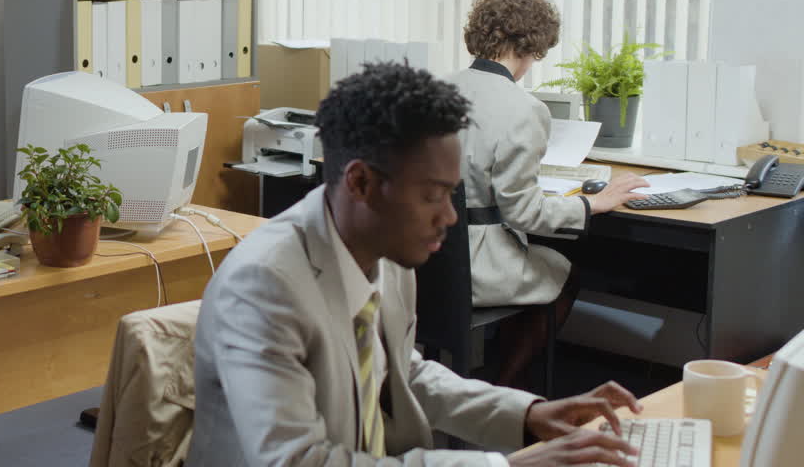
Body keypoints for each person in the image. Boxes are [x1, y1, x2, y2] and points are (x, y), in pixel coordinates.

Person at [189, 61, 643, 466]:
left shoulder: (383, 253)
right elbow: (296, 461)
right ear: (362, 183)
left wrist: (527, 414)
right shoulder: (264, 285)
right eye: (432, 196)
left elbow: (404, 373)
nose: (449, 217)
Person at [446, 0, 647, 388]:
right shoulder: (523, 108)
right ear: (532, 46)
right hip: (473, 263)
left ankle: (479, 387)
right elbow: (525, 212)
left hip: (424, 258)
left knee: (537, 263)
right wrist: (593, 205)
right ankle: (504, 389)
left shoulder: (435, 89)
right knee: (564, 274)